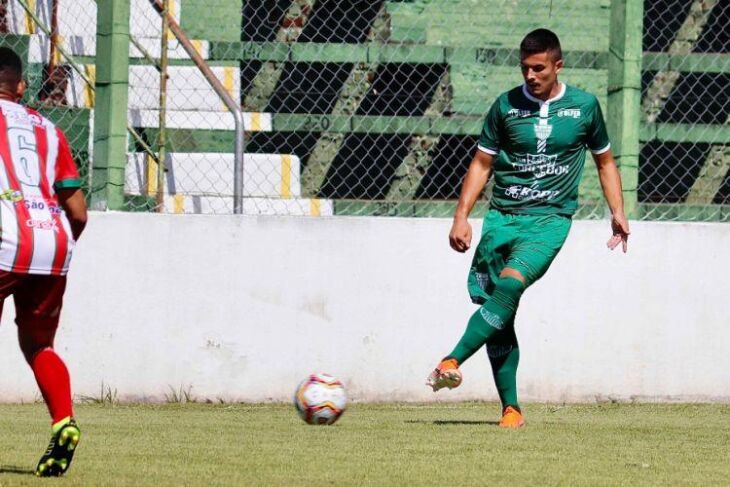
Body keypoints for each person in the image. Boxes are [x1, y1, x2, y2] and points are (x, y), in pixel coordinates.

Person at [426, 29, 629, 428]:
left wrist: (618, 210)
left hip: (549, 221)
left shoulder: (584, 107)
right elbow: (482, 163)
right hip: (502, 219)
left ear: (558, 65)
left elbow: (605, 162)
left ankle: (451, 360)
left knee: (510, 284)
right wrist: (461, 216)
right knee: (500, 312)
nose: (531, 75)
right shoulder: (505, 106)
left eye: (539, 68)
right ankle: (511, 409)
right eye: (525, 68)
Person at [0, 47, 87, 475]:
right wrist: (61, 247)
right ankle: (63, 421)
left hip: (2, 239)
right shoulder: (49, 129)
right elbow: (79, 211)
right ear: (20, 86)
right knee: (38, 344)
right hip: (52, 242)